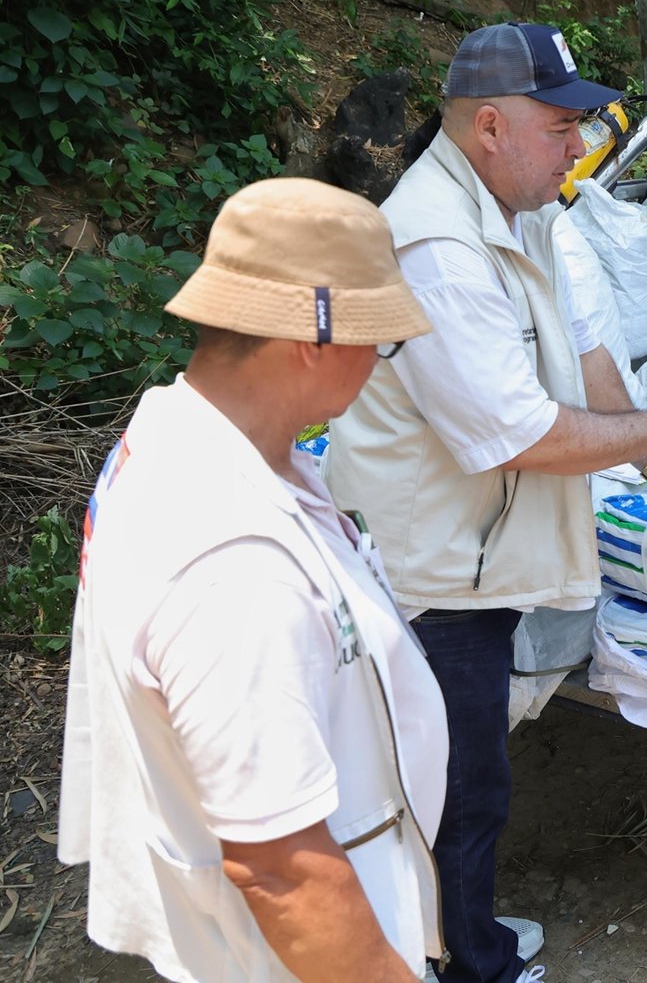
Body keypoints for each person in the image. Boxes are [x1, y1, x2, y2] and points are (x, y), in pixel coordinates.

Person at [324, 22, 647, 983]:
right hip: (432, 567)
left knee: (465, 768)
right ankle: (461, 963)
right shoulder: (437, 243)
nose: (581, 146)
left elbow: (583, 352)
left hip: (479, 545)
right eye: (562, 124)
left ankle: (449, 938)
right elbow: (521, 432)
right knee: (450, 781)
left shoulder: (519, 207)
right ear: (489, 125)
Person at [59, 178, 447, 982]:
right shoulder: (230, 563)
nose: (379, 365)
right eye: (380, 341)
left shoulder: (181, 433)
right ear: (313, 339)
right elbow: (282, 871)